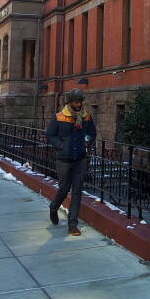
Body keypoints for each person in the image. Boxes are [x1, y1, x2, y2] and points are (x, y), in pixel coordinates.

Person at [46, 89, 96, 236]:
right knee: (64, 189)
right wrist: (60, 145)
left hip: (80, 159)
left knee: (77, 191)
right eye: (76, 102)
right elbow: (50, 134)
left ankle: (72, 225)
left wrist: (87, 142)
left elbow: (92, 133)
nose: (79, 104)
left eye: (80, 101)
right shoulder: (60, 117)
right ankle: (54, 207)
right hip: (63, 159)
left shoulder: (86, 116)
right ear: (69, 102)